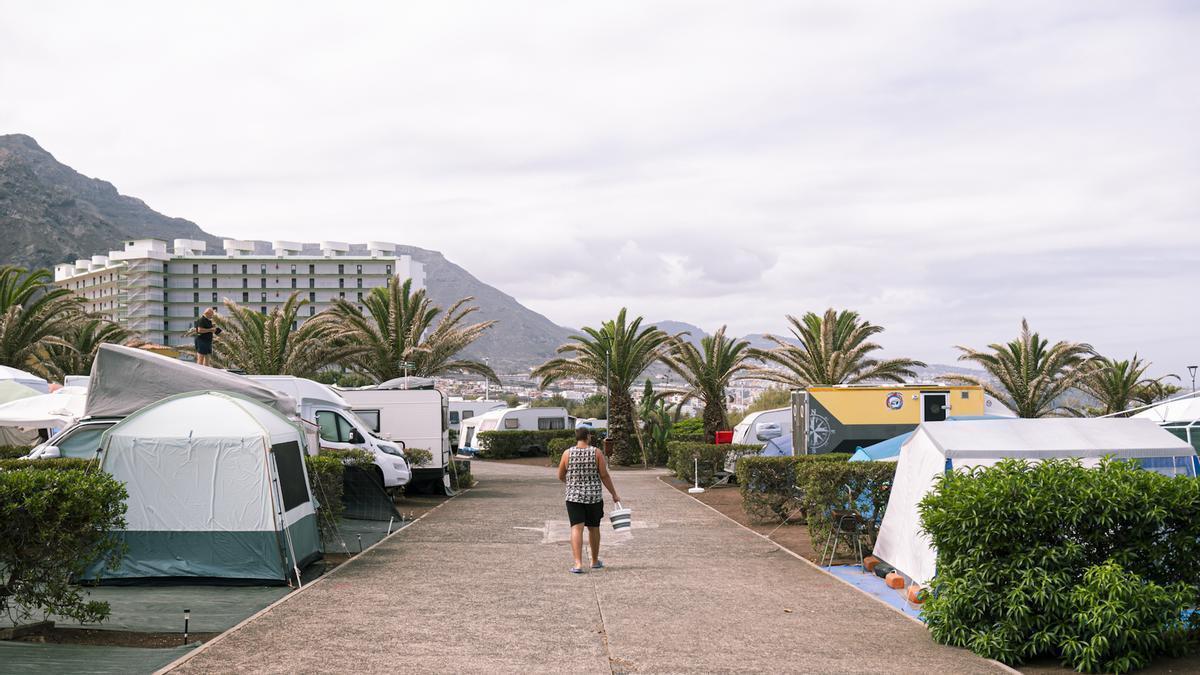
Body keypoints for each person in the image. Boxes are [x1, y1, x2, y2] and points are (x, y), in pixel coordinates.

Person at [557, 426, 621, 574]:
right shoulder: (596, 452)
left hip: (573, 498)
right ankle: (594, 561)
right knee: (593, 528)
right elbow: (604, 475)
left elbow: (560, 475)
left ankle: (578, 564)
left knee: (576, 528)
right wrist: (614, 494)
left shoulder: (567, 453)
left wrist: (571, 484)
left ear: (576, 437)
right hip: (593, 497)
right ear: (588, 437)